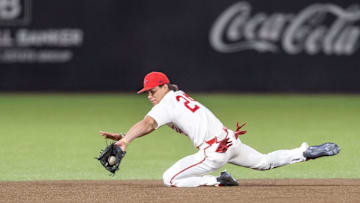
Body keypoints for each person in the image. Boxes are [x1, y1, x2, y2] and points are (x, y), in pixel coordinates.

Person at [99, 71, 340, 187]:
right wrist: (125, 135)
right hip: (230, 141)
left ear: (163, 87)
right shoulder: (179, 96)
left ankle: (217, 180)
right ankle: (303, 153)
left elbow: (148, 123)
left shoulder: (168, 102)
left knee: (169, 179)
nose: (149, 96)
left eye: (152, 91)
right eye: (147, 93)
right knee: (265, 162)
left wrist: (124, 142)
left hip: (214, 152)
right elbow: (153, 126)